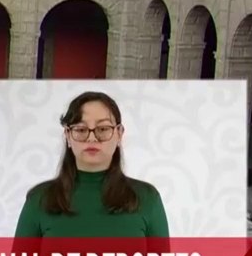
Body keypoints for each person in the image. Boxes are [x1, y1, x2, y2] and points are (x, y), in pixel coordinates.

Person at [15, 91, 169, 241]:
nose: (92, 138)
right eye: (81, 130)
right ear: (68, 135)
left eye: (103, 129)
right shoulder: (40, 199)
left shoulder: (147, 199)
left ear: (119, 133)